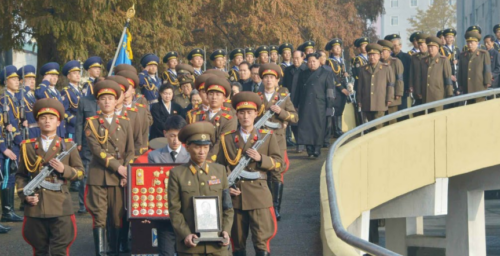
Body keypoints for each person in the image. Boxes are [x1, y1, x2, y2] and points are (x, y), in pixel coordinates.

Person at [216, 92, 282, 256]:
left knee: (261, 243)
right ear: (237, 114)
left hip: (259, 195)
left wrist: (261, 159)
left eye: (249, 112)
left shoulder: (266, 137)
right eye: (242, 112)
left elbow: (279, 163)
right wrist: (226, 188)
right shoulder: (227, 139)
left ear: (256, 114)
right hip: (235, 197)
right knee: (237, 244)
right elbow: (218, 169)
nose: (246, 116)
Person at [16, 98, 84, 255]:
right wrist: (25, 195)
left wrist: (64, 169)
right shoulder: (27, 146)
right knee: (39, 251)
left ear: (58, 122)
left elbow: (80, 172)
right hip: (36, 208)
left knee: (60, 250)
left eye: (52, 118)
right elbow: (21, 175)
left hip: (60, 206)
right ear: (38, 122)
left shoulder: (67, 145)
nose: (47, 121)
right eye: (43, 118)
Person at [84, 80, 135, 256]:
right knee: (100, 216)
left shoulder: (125, 122)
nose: (107, 102)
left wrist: (126, 171)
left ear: (116, 101)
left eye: (110, 98)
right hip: (100, 175)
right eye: (103, 99)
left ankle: (114, 250)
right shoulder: (92, 123)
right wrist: (118, 167)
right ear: (98, 102)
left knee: (116, 217)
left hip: (120, 177)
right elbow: (96, 150)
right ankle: (101, 252)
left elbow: (130, 151)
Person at [169, 121, 233, 256]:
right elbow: (175, 210)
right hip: (191, 245)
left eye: (205, 147)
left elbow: (228, 207)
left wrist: (226, 231)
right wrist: (185, 234)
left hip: (218, 245)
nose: (202, 151)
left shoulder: (220, 171)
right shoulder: (177, 174)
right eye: (197, 147)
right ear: (187, 147)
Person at [258, 63, 298, 220]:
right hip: (262, 140)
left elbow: (295, 117)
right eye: (266, 77)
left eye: (272, 78)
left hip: (278, 140)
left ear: (277, 81)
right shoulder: (257, 97)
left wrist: (281, 112)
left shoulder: (283, 98)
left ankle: (276, 207)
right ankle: (265, 205)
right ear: (262, 80)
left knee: (277, 172)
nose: (268, 81)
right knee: (263, 172)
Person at [146, 115, 189, 256]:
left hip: (186, 214)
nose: (175, 140)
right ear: (165, 134)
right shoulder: (155, 156)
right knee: (166, 252)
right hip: (164, 213)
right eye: (171, 136)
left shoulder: (190, 155)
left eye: (178, 136)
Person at [294, 53, 336, 157]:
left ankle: (317, 148)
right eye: (309, 62)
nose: (312, 64)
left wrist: (330, 104)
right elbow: (298, 90)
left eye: (314, 61)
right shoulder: (303, 74)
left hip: (319, 104)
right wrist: (295, 103)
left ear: (319, 61)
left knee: (318, 127)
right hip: (305, 104)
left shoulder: (326, 73)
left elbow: (330, 89)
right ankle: (309, 148)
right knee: (306, 127)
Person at [188, 76, 237, 161]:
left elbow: (221, 142)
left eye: (218, 94)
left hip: (218, 160)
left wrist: (208, 159)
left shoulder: (229, 119)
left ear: (224, 98)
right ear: (207, 96)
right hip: (197, 158)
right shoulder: (197, 116)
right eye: (211, 94)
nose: (214, 97)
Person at [0, 65, 24, 228]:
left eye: (17, 79)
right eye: (13, 79)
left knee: (11, 176)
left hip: (11, 141)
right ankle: (7, 212)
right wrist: (3, 148)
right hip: (5, 144)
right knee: (5, 178)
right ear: (5, 81)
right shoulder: (3, 100)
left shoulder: (13, 99)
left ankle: (8, 211)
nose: (17, 82)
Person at [357, 43, 395, 129]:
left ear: (379, 56)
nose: (372, 57)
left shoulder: (386, 68)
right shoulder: (364, 69)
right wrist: (359, 100)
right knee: (370, 126)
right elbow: (359, 86)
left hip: (380, 101)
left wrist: (389, 98)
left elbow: (390, 84)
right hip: (367, 102)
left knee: (378, 126)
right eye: (370, 55)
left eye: (374, 55)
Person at [413, 36, 453, 112]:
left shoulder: (443, 60)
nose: (430, 49)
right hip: (426, 94)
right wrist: (418, 91)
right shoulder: (423, 61)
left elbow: (447, 77)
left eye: (432, 47)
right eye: (429, 47)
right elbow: (419, 77)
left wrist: (449, 93)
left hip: (438, 95)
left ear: (437, 48)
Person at [457, 31, 492, 103]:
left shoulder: (483, 54)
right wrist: (460, 84)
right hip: (467, 87)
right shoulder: (463, 55)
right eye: (468, 42)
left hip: (479, 86)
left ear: (477, 43)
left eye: (472, 42)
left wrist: (487, 82)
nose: (469, 44)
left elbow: (487, 69)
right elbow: (460, 71)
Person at [283, 50, 307, 152]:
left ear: (302, 58)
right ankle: (299, 143)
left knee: (302, 123)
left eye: (298, 58)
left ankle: (303, 144)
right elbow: (284, 86)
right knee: (293, 123)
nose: (295, 60)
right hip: (290, 101)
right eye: (294, 58)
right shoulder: (288, 70)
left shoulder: (306, 70)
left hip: (302, 101)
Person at [325, 38, 349, 139]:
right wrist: (341, 88)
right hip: (336, 89)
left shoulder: (342, 61)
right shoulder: (330, 62)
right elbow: (332, 77)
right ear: (331, 50)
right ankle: (335, 130)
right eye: (336, 48)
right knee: (335, 110)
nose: (338, 49)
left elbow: (342, 75)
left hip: (343, 88)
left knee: (340, 109)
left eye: (339, 47)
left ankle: (339, 129)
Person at [35, 62, 67, 137]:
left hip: (59, 127)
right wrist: (45, 81)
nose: (55, 78)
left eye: (56, 75)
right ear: (46, 76)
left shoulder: (57, 92)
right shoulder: (43, 90)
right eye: (52, 75)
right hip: (49, 127)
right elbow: (38, 94)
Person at [384, 34, 412, 114]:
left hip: (403, 90)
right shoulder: (388, 58)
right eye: (392, 46)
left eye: (395, 45)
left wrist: (408, 87)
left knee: (402, 112)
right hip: (391, 90)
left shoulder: (407, 57)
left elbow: (409, 73)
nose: (394, 48)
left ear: (400, 46)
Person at [378, 40, 404, 122]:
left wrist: (398, 93)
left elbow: (399, 78)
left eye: (383, 51)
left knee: (391, 120)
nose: (381, 53)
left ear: (389, 51)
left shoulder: (395, 62)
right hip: (381, 96)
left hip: (392, 96)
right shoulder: (379, 63)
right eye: (380, 51)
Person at [61, 60, 83, 139]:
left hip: (82, 127)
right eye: (74, 73)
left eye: (78, 73)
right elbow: (64, 111)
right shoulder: (66, 91)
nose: (77, 75)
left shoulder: (80, 91)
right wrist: (75, 121)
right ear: (68, 76)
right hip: (72, 128)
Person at [17, 65, 39, 139]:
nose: (32, 81)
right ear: (21, 81)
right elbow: (17, 98)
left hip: (37, 129)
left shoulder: (33, 95)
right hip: (27, 131)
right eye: (29, 79)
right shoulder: (20, 93)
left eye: (33, 79)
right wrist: (26, 87)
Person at [409, 33, 430, 107]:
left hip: (428, 88)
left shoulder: (430, 56)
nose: (420, 47)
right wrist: (411, 85)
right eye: (419, 45)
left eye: (422, 45)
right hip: (417, 88)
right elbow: (411, 72)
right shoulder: (414, 57)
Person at [442, 28, 461, 96]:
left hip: (456, 74)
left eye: (451, 37)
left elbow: (461, 60)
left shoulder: (456, 49)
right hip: (448, 75)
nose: (449, 39)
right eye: (447, 37)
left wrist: (457, 61)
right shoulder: (442, 49)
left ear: (453, 38)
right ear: (444, 38)